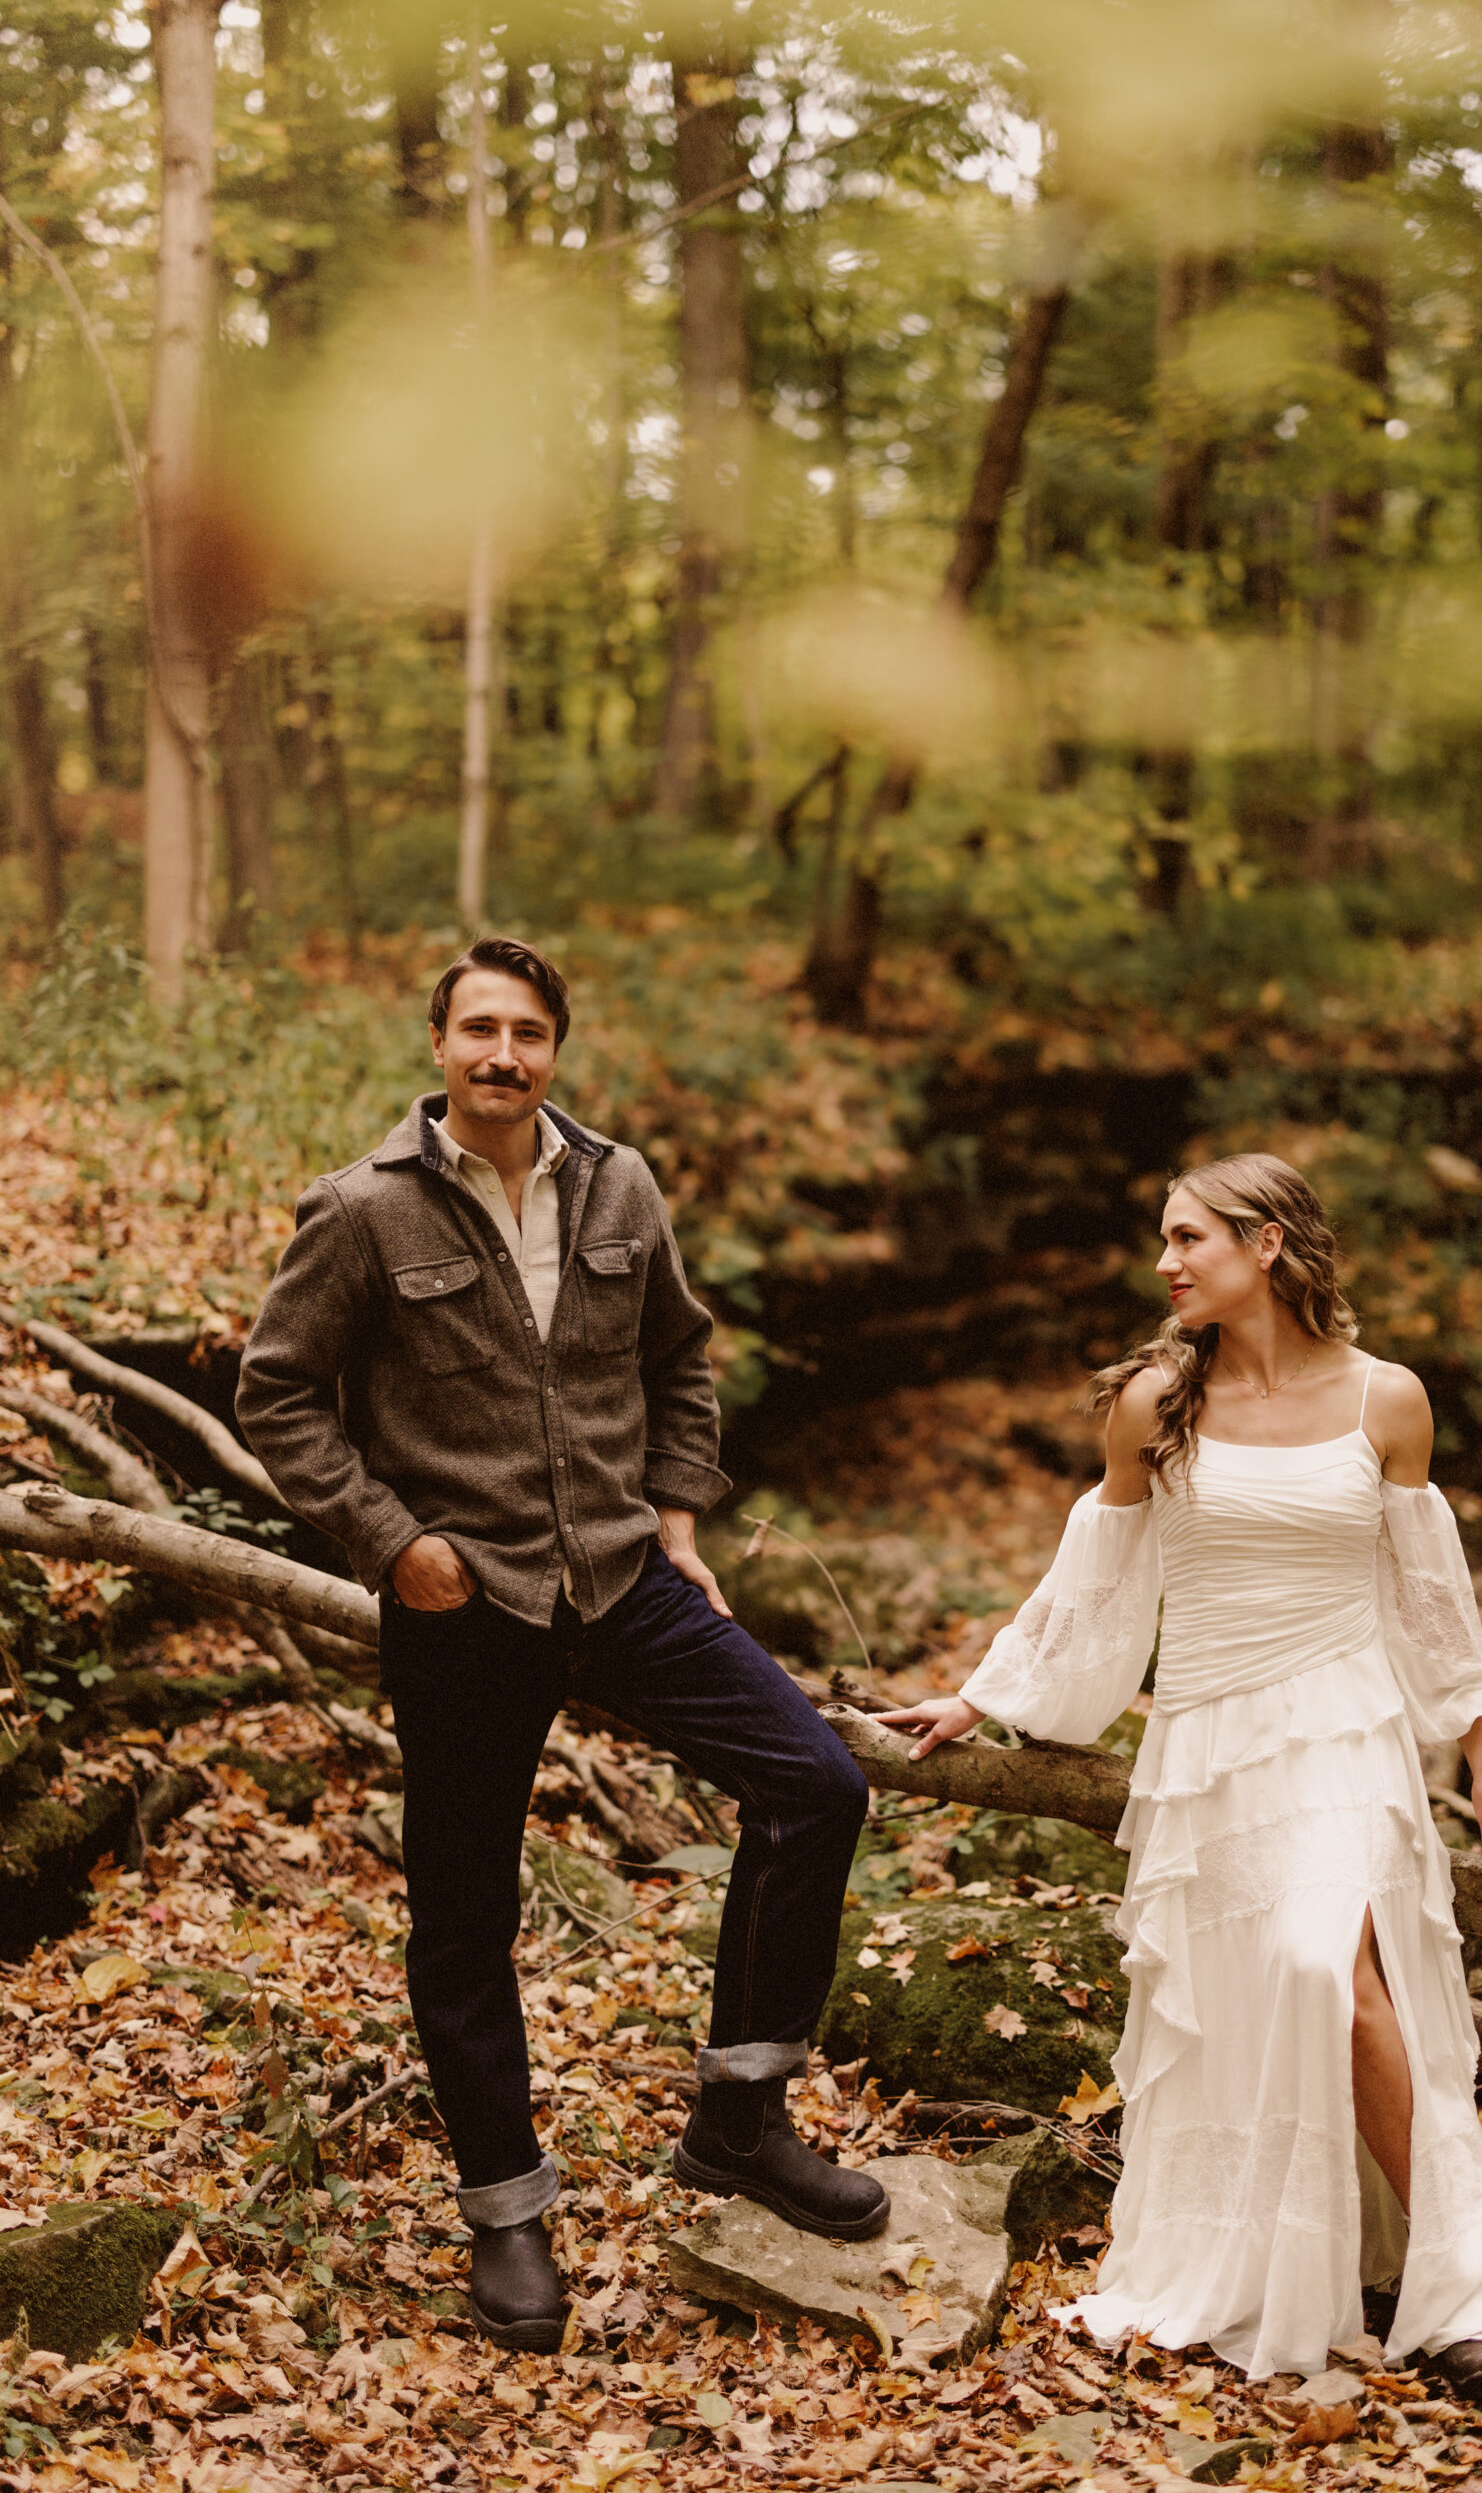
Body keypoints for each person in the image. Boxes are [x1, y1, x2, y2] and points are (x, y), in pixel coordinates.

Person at [236, 937, 885, 2353]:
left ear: (555, 1050)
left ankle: (741, 2114)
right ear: (436, 1044)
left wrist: (678, 1518)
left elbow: (680, 1358)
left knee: (817, 1783)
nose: (503, 1055)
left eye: (528, 1032)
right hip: (464, 1607)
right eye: (479, 1029)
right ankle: (506, 2216)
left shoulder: (621, 1183)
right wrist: (391, 1541)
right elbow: (277, 1397)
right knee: (466, 1918)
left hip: (619, 1577)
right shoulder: (358, 1213)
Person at [879, 1152, 1482, 2398]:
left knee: (1324, 1969)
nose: (1164, 1262)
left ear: (1267, 1244)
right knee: (1297, 1988)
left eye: (1188, 1237)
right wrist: (988, 1690)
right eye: (1164, 1240)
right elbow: (1097, 1578)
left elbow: (1425, 1594)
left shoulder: (1388, 1399)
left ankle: (1466, 2276)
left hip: (1345, 1730)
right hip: (1212, 1739)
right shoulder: (1153, 1401)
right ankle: (1416, 2257)